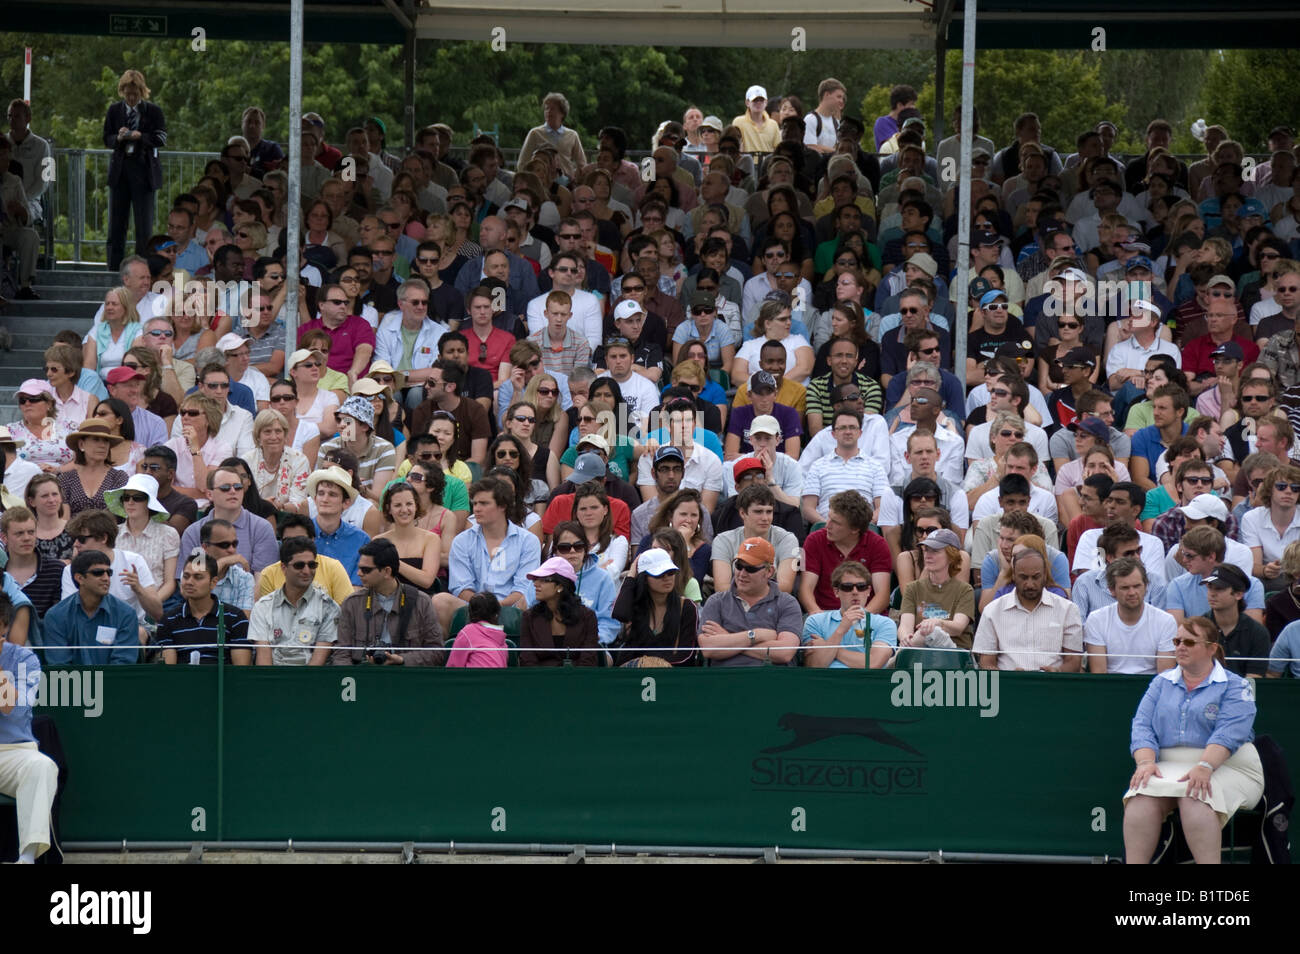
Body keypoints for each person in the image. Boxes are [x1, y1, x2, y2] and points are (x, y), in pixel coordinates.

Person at [1122, 615, 1264, 865]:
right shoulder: (1160, 683)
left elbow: (1230, 733)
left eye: (1189, 642)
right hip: (1169, 765)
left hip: (1230, 765)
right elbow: (1142, 725)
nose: (1180, 647)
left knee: (1195, 796)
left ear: (1211, 648)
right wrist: (1145, 762)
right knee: (1140, 798)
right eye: (1177, 641)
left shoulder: (1236, 686)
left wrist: (1205, 766)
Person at [433, 477, 542, 635]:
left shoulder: (528, 541)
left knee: (528, 600)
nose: (476, 509)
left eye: (484, 503)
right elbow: (461, 588)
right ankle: (444, 657)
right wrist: (484, 607)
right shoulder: (461, 541)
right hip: (472, 607)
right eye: (475, 503)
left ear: (502, 506)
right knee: (440, 601)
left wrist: (498, 605)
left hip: (512, 607)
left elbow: (523, 588)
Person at [0, 593, 60, 863]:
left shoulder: (25, 659)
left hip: (12, 751)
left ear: (4, 626)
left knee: (42, 766)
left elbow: (14, 709)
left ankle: (26, 858)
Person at [333, 539, 444, 666]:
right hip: (364, 678)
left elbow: (437, 652)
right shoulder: (352, 604)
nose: (359, 574)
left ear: (387, 571)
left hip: (406, 678)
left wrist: (402, 660)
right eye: (359, 568)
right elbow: (341, 654)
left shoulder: (421, 602)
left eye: (366, 570)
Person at [974, 548, 1084, 672]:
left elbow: (1074, 662)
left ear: (1045, 575)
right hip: (1008, 687)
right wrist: (1007, 677)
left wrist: (1057, 672)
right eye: (1023, 578)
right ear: (1014, 576)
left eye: (1036, 577)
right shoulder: (992, 611)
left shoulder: (1068, 609)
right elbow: (986, 662)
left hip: (1054, 686)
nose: (1030, 584)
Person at [699, 536, 802, 667]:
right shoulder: (716, 601)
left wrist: (727, 639)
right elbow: (708, 648)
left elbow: (784, 653)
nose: (742, 574)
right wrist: (754, 636)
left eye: (750, 568)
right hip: (724, 681)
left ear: (769, 572)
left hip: (772, 680)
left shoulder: (787, 603)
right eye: (738, 566)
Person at [104, 69, 165, 270]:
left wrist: (141, 136)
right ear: (122, 91)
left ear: (142, 92)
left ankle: (142, 269)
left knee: (143, 226)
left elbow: (161, 138)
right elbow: (106, 138)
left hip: (144, 171)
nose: (131, 98)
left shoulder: (153, 111)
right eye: (128, 93)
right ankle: (113, 268)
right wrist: (119, 138)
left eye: (135, 94)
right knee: (116, 225)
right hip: (120, 172)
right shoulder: (114, 110)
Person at [248, 535, 340, 666]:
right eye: (299, 565)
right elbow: (264, 662)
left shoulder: (329, 607)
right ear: (284, 568)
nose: (307, 571)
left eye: (312, 565)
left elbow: (318, 662)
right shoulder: (263, 606)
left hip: (311, 681)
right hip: (272, 681)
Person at [799, 490, 891, 614]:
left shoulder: (878, 544)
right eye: (829, 518)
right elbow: (806, 589)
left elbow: (882, 596)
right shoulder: (814, 540)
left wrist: (859, 619)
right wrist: (819, 618)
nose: (827, 525)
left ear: (855, 529)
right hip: (825, 615)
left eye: (835, 522)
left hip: (866, 617)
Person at [43, 550, 141, 665]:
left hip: (114, 681)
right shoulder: (56, 616)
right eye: (98, 573)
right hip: (71, 682)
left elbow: (123, 665)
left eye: (109, 572)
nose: (106, 578)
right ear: (79, 578)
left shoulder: (126, 614)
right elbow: (60, 666)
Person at [156, 552, 252, 665]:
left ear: (213, 582)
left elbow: (240, 671)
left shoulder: (235, 618)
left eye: (198, 577)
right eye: (186, 576)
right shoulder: (168, 620)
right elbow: (168, 672)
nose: (189, 582)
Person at [1084, 558, 1177, 674]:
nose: (1132, 593)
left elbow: (1164, 676)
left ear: (1146, 586)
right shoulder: (1096, 620)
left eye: (1137, 586)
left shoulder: (1166, 621)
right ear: (1112, 590)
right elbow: (1099, 674)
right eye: (1125, 588)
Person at [802, 560, 897, 669]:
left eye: (861, 586)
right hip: (825, 682)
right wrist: (841, 630)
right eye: (847, 587)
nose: (855, 592)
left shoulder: (885, 623)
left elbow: (873, 664)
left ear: (868, 591)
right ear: (836, 591)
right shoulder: (815, 621)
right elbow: (814, 665)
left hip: (865, 683)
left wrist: (827, 647)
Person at [801, 409, 888, 526]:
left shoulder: (876, 467)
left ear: (860, 433)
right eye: (842, 428)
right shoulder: (818, 466)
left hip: (864, 530)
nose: (848, 432)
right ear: (833, 434)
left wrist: (860, 526)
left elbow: (882, 507)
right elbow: (807, 509)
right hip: (826, 529)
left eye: (852, 427)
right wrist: (831, 525)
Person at [106, 473, 179, 609]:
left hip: (156, 603)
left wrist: (150, 603)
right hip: (116, 606)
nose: (130, 502)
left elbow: (169, 583)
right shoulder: (112, 533)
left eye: (138, 498)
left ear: (149, 503)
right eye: (126, 498)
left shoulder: (168, 534)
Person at [897, 528, 976, 650]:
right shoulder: (913, 588)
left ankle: (894, 661)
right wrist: (905, 637)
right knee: (923, 634)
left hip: (954, 654)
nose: (928, 555)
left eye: (935, 551)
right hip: (920, 651)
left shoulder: (964, 590)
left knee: (930, 632)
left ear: (951, 556)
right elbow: (905, 626)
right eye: (926, 550)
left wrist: (937, 623)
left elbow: (958, 627)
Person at [711, 484, 799, 593]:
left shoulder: (788, 539)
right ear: (742, 513)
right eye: (758, 512)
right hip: (735, 605)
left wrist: (751, 594)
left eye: (769, 511)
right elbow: (721, 588)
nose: (765, 518)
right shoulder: (723, 541)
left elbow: (785, 587)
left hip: (774, 605)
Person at [518, 556, 601, 667]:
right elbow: (528, 659)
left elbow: (588, 659)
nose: (535, 584)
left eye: (543, 580)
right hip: (540, 680)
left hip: (578, 680)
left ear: (560, 586)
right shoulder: (529, 617)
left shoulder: (587, 617)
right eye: (535, 579)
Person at [548, 521, 619, 646]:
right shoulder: (543, 577)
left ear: (586, 549)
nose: (572, 551)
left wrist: (591, 641)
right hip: (550, 644)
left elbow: (609, 623)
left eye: (578, 546)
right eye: (564, 547)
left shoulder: (603, 578)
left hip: (591, 645)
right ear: (555, 551)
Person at [374, 482, 441, 592]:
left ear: (416, 505)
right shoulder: (378, 541)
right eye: (397, 505)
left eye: (409, 504)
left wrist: (394, 562)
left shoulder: (431, 539)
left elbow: (427, 581)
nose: (404, 510)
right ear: (389, 508)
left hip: (421, 602)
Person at [58, 420, 129, 515]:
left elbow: (120, 514)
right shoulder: (66, 479)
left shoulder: (118, 477)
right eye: (96, 439)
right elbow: (64, 518)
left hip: (109, 528)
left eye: (106, 441)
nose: (103, 445)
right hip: (72, 529)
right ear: (81, 444)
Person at [136, 444, 199, 533]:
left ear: (170, 474)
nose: (147, 472)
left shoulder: (186, 503)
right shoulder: (131, 496)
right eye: (145, 467)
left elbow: (172, 533)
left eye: (154, 468)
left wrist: (147, 504)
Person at [446, 592, 508, 668]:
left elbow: (453, 667)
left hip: (475, 679)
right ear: (496, 613)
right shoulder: (502, 639)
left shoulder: (468, 631)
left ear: (470, 613)